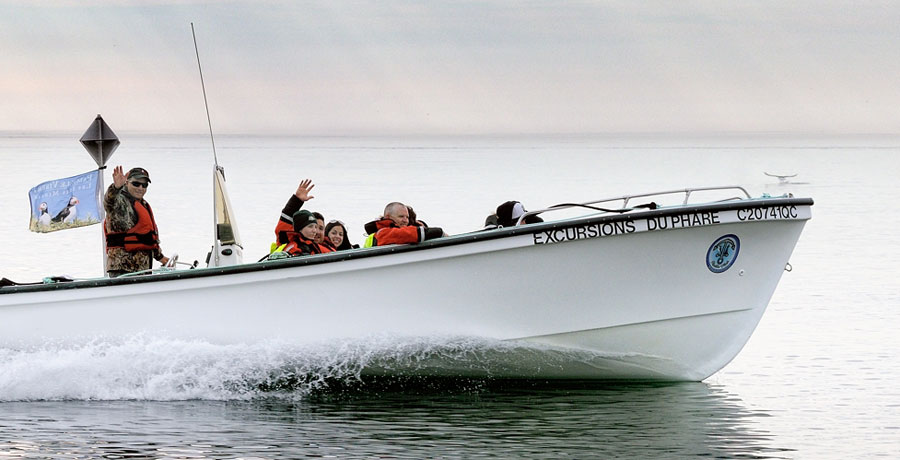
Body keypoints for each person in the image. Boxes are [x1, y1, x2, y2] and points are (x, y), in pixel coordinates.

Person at [104, 166, 169, 277]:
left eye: (144, 185)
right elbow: (108, 201)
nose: (140, 188)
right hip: (122, 268)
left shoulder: (143, 205)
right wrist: (116, 187)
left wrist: (161, 258)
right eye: (136, 184)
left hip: (142, 268)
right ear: (127, 183)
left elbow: (148, 238)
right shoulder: (119, 201)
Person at [363, 202, 444, 247]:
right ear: (388, 217)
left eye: (407, 217)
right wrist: (440, 232)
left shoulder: (382, 231)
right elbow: (410, 234)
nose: (405, 220)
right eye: (401, 216)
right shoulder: (383, 233)